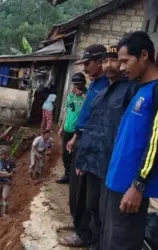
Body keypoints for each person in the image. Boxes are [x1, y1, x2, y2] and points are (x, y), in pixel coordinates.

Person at [66, 45, 137, 250]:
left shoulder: (128, 91)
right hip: (92, 155)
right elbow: (94, 127)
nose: (109, 65)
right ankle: (86, 235)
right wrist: (83, 157)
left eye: (115, 61)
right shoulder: (102, 91)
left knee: (100, 208)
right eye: (106, 61)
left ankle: (90, 238)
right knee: (89, 202)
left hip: (109, 160)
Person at [102, 31, 158, 250]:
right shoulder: (140, 89)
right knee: (110, 239)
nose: (121, 67)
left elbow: (155, 143)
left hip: (131, 190)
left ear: (144, 55)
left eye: (125, 61)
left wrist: (138, 184)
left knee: (122, 242)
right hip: (115, 183)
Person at [58, 44, 109, 248]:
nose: (85, 68)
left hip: (90, 145)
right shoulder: (96, 84)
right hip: (81, 140)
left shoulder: (106, 86)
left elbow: (95, 120)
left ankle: (84, 233)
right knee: (77, 191)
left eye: (88, 63)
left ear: (100, 62)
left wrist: (79, 137)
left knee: (87, 194)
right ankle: (79, 224)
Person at [56, 72, 87, 184]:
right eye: (75, 85)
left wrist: (83, 96)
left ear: (83, 84)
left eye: (79, 85)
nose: (76, 87)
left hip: (77, 132)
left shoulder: (86, 97)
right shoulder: (70, 95)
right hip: (67, 129)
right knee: (65, 155)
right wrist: (61, 126)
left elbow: (90, 109)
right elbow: (67, 111)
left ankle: (75, 179)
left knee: (75, 155)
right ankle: (67, 175)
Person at [0, 148, 15, 217]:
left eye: (1, 155)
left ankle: (5, 213)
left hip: (7, 182)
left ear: (6, 155)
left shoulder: (11, 162)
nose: (0, 156)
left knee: (5, 197)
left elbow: (12, 174)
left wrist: (3, 175)